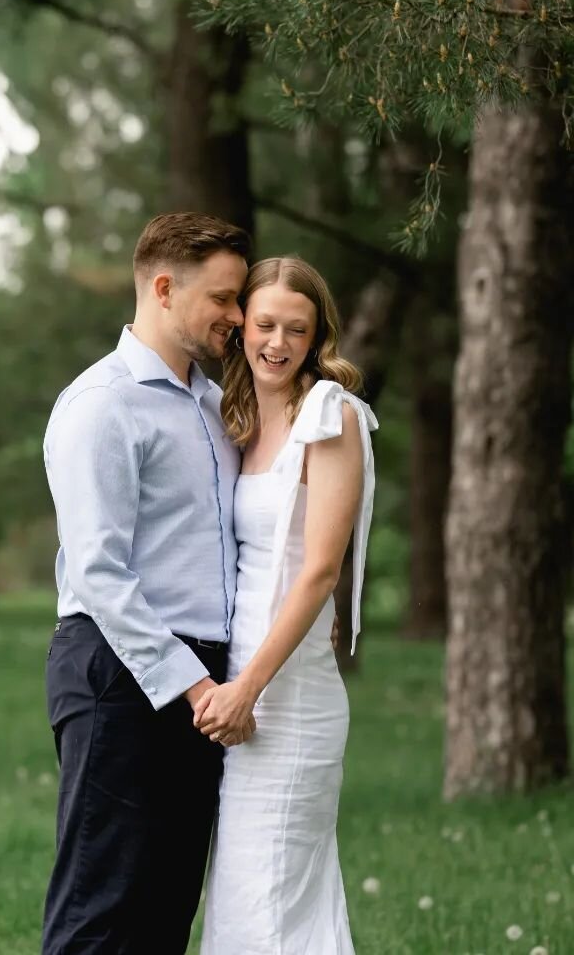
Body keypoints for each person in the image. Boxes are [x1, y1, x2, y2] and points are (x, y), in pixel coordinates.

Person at [40, 212, 253, 955]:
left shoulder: (211, 405)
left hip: (199, 682)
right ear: (163, 288)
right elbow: (99, 573)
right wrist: (196, 688)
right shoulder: (102, 405)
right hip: (120, 676)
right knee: (101, 917)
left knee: (164, 917)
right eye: (223, 299)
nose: (238, 316)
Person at [196, 256, 377, 954]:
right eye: (264, 324)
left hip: (287, 695)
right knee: (245, 899)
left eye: (295, 329)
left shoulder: (329, 414)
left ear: (316, 336)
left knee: (272, 902)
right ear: (241, 326)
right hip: (241, 686)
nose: (277, 342)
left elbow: (319, 570)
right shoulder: (237, 416)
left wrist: (248, 687)